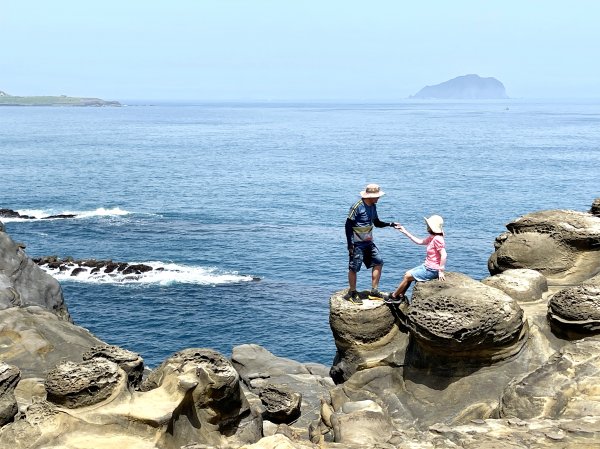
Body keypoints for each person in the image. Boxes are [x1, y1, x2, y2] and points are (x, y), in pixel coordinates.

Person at [344, 183, 397, 304]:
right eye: (377, 196)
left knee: (378, 262)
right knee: (354, 267)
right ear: (370, 196)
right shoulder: (357, 207)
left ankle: (374, 291)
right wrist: (350, 244)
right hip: (357, 244)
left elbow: (377, 223)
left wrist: (390, 224)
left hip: (368, 242)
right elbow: (348, 225)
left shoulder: (373, 206)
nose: (379, 198)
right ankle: (352, 292)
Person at [387, 215, 447, 304]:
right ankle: (401, 295)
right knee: (407, 274)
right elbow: (419, 241)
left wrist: (441, 270)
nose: (427, 227)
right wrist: (404, 231)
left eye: (428, 225)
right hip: (427, 266)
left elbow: (444, 254)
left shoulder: (437, 239)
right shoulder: (432, 237)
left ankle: (394, 296)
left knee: (408, 277)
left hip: (432, 270)